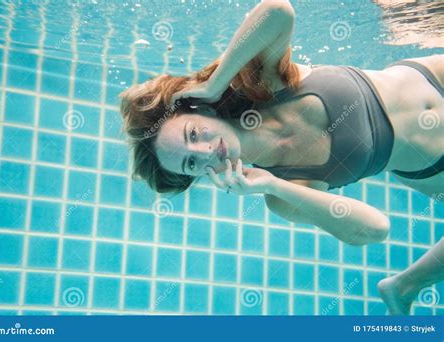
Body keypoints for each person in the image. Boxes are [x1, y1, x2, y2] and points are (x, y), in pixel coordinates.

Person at [119, 1, 443, 315]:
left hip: (431, 75)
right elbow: (375, 229)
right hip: (434, 163)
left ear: (200, 109)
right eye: (192, 163)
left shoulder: (265, 84)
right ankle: (403, 287)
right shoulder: (283, 191)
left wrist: (213, 84)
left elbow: (278, 10)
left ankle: (403, 287)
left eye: (192, 134)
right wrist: (275, 186)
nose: (204, 151)